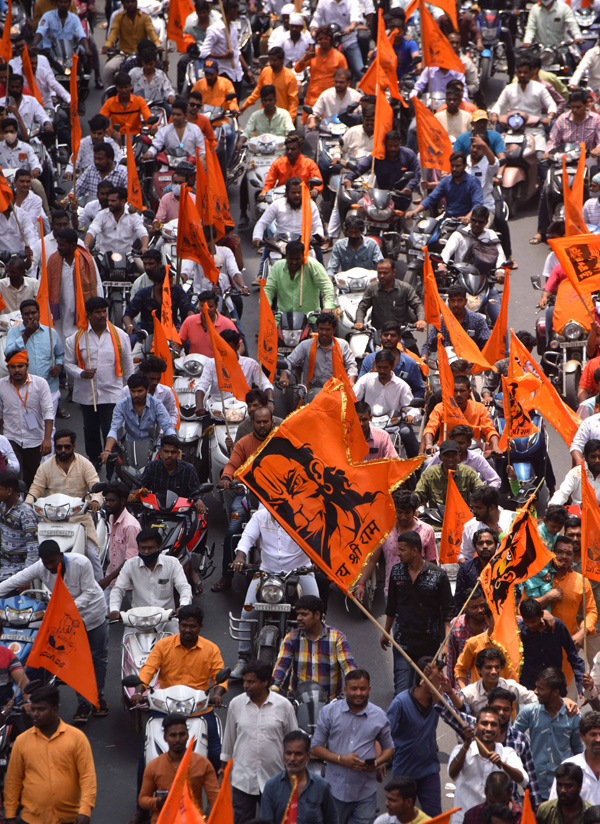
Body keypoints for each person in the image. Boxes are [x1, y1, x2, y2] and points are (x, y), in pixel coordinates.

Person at [0, 540, 109, 721]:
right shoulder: (41, 567)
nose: (50, 566)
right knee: (76, 660)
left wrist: (64, 609)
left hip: (93, 614)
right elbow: (14, 580)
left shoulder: (81, 563)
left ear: (61, 555)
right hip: (67, 621)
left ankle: (98, 698)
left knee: (98, 658)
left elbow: (89, 592)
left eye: (53, 561)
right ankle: (84, 703)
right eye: (46, 563)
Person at [132, 605, 227, 772]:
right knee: (146, 756)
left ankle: (217, 795)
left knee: (215, 752)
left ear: (200, 627)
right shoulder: (163, 646)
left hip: (199, 707)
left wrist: (217, 694)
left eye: (192, 626)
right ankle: (142, 796)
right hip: (166, 707)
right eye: (184, 625)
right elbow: (148, 670)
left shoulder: (211, 649)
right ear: (179, 625)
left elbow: (219, 675)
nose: (187, 629)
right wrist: (139, 691)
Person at [230, 507, 319, 677]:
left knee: (316, 611)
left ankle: (314, 657)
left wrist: (315, 561)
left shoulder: (304, 517)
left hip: (301, 572)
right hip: (266, 573)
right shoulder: (259, 517)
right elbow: (247, 538)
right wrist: (240, 557)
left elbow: (314, 541)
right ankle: (243, 659)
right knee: (247, 611)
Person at [220, 659, 301, 824]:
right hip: (243, 780)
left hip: (275, 779)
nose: (245, 685)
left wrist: (296, 774)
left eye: (251, 682)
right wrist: (222, 770)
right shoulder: (236, 705)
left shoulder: (284, 706)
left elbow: (294, 741)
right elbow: (229, 740)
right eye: (244, 681)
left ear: (264, 682)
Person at [436, 685, 542, 810]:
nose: (501, 713)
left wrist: (536, 811)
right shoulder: (472, 728)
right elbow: (447, 711)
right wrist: (436, 686)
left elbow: (529, 781)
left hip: (504, 813)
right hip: (471, 812)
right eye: (497, 708)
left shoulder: (519, 740)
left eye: (506, 709)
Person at [3, 684, 97, 824]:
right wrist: (10, 815)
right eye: (33, 709)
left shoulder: (77, 738)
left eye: (41, 709)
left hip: (69, 819)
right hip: (31, 819)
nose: (35, 714)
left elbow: (87, 777)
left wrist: (85, 810)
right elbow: (13, 780)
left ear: (55, 710)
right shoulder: (22, 741)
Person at [311, 668, 394, 824]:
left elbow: (389, 748)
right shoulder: (329, 712)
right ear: (345, 690)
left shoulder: (379, 716)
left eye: (363, 688)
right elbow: (315, 747)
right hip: (334, 791)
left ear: (369, 689)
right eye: (353, 688)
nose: (358, 693)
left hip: (365, 793)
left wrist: (377, 762)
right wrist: (341, 759)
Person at [64, 296, 134, 470]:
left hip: (113, 394)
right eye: (98, 312)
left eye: (104, 311)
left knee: (111, 429)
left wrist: (130, 392)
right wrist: (81, 373)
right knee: (90, 430)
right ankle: (94, 462)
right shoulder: (75, 338)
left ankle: (112, 463)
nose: (102, 315)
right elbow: (68, 364)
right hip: (88, 395)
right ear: (88, 314)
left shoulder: (120, 335)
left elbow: (128, 366)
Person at [26, 429, 104, 581]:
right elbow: (36, 488)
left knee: (92, 555)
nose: (63, 450)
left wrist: (95, 500)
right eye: (59, 447)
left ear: (74, 446)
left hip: (79, 518)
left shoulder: (84, 464)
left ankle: (101, 590)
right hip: (51, 519)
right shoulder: (46, 466)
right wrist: (27, 504)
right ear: (55, 446)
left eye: (67, 447)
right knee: (36, 554)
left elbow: (95, 484)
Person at [382, 530, 453, 694]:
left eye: (401, 550)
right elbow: (391, 606)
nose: (397, 553)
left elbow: (448, 612)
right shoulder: (396, 572)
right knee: (401, 693)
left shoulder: (439, 575)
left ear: (414, 551)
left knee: (428, 693)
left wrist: (446, 644)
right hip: (403, 644)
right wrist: (386, 632)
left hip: (430, 646)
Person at [215, 407, 278, 592]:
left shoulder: (280, 441)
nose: (262, 425)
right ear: (252, 423)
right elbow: (232, 464)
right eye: (258, 422)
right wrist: (226, 477)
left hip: (276, 497)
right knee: (233, 529)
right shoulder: (243, 443)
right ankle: (227, 575)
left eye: (265, 421)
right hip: (247, 493)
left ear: (272, 422)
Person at [532, 90, 600, 244]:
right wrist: (548, 152)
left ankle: (589, 228)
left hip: (586, 161)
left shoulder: (596, 120)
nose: (575, 110)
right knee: (546, 189)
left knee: (592, 189)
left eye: (578, 107)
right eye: (573, 107)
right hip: (562, 163)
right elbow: (553, 141)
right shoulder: (562, 119)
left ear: (586, 105)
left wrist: (597, 149)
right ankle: (541, 231)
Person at [514, 667, 584, 801]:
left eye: (541, 688)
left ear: (555, 692)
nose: (536, 692)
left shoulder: (573, 715)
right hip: (536, 784)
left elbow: (578, 750)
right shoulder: (529, 712)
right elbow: (512, 737)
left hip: (563, 786)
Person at [448, 707, 527, 824]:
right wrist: (466, 745)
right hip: (464, 819)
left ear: (499, 730)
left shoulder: (507, 753)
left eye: (493, 725)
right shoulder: (461, 749)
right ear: (475, 727)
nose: (488, 728)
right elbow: (452, 774)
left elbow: (523, 780)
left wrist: (502, 764)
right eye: (484, 723)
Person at [386, 658, 444, 816]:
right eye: (436, 678)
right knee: (401, 815)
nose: (440, 682)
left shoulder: (438, 701)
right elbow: (384, 734)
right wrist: (379, 761)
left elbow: (455, 713)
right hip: (404, 770)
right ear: (423, 680)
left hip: (429, 770)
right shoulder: (400, 703)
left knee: (434, 817)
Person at [271, 595, 356, 699]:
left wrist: (353, 685)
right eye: (298, 614)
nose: (299, 618)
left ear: (317, 615)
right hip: (299, 702)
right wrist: (274, 688)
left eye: (304, 614)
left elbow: (348, 665)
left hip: (330, 703)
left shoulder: (337, 638)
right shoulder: (291, 638)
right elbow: (282, 666)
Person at [139, 713, 219, 822]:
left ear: (187, 735)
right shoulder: (153, 766)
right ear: (165, 738)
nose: (178, 739)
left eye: (182, 734)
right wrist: (157, 802)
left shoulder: (203, 764)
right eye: (173, 735)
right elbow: (142, 799)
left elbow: (215, 798)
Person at [109, 528, 192, 627]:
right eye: (142, 548)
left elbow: (184, 587)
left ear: (159, 548)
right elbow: (118, 589)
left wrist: (183, 605)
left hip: (167, 620)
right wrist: (114, 609)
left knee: (176, 642)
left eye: (150, 548)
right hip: (138, 621)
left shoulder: (172, 563)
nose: (146, 552)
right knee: (126, 642)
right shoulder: (130, 565)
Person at [529, 535, 597, 655]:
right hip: (537, 646)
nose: (564, 557)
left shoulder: (581, 581)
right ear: (551, 553)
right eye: (559, 552)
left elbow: (591, 611)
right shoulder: (537, 577)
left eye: (569, 553)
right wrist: (547, 598)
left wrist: (581, 634)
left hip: (567, 647)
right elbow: (522, 609)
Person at [490, 59, 557, 181]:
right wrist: (494, 114)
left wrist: (549, 117)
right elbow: (498, 105)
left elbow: (552, 105)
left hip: (534, 130)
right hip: (513, 130)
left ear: (531, 72)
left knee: (540, 160)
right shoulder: (509, 89)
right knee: (499, 157)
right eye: (519, 72)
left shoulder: (540, 88)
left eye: (525, 72)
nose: (522, 75)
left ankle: (545, 188)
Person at [438, 207, 506, 324]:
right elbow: (446, 251)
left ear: (486, 222)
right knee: (442, 319)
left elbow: (500, 254)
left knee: (500, 322)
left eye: (481, 222)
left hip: (485, 283)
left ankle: (505, 343)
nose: (477, 224)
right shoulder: (459, 234)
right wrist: (442, 265)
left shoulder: (490, 234)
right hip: (461, 281)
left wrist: (500, 271)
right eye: (474, 220)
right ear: (470, 219)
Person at [0, 349, 54, 487]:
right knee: (12, 478)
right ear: (8, 368)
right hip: (11, 439)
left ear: (27, 367)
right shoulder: (1, 386)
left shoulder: (40, 384)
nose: (17, 370)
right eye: (13, 366)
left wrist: (47, 439)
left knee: (32, 480)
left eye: (20, 366)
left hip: (35, 439)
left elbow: (48, 412)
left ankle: (29, 506)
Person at [260, 730, 338, 824]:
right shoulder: (271, 787)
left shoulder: (322, 786)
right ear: (283, 755)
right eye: (288, 753)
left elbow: (331, 820)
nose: (292, 759)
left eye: (298, 754)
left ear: (308, 756)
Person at [353, 350, 420, 457]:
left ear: (393, 366)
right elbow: (353, 398)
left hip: (392, 425)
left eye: (385, 368)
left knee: (406, 433)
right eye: (379, 367)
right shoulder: (366, 379)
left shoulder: (402, 385)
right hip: (366, 422)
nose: (382, 371)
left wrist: (411, 415)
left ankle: (414, 468)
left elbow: (412, 408)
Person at [253, 177, 324, 274]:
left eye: (299, 192)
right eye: (293, 193)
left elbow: (317, 225)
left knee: (319, 268)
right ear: (287, 192)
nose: (297, 195)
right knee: (268, 245)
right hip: (281, 244)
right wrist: (257, 238)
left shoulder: (310, 205)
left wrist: (320, 236)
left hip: (305, 243)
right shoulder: (277, 204)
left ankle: (323, 277)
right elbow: (262, 222)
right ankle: (261, 273)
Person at [5, 299, 64, 415]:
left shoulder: (51, 333)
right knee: (26, 428)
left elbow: (60, 355)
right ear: (21, 316)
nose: (30, 316)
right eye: (26, 314)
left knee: (48, 427)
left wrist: (59, 366)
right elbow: (8, 354)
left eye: (33, 313)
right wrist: (26, 335)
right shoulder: (14, 332)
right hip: (23, 390)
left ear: (39, 313)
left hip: (49, 388)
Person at [47, 229, 104, 346]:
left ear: (73, 245)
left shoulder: (88, 260)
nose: (58, 247)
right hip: (60, 313)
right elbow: (46, 286)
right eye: (58, 244)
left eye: (62, 245)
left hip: (81, 313)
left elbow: (97, 285)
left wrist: (98, 307)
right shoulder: (53, 260)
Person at [195, 329, 273, 413]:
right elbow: (201, 386)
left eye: (228, 349)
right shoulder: (212, 364)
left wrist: (270, 401)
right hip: (216, 411)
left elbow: (266, 384)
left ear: (237, 347)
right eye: (222, 349)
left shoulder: (251, 364)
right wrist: (199, 406)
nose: (224, 352)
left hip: (244, 411)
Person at [101, 374, 176, 462]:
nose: (136, 395)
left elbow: (168, 427)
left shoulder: (157, 405)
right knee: (115, 471)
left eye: (140, 391)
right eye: (133, 391)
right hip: (129, 449)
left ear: (147, 390)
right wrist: (107, 450)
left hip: (153, 449)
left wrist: (175, 447)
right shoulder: (121, 405)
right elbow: (114, 428)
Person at [519, 598, 585, 696]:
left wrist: (581, 685)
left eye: (534, 621)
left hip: (555, 688)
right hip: (530, 689)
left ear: (541, 615)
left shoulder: (557, 626)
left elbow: (573, 656)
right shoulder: (520, 630)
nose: (530, 625)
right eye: (527, 622)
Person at [279, 312, 358, 388]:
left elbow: (351, 366)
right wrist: (284, 376)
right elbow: (289, 362)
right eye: (321, 329)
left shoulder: (343, 345)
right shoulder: (305, 345)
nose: (324, 332)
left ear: (334, 330)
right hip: (311, 392)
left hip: (336, 392)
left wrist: (351, 382)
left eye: (328, 329)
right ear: (317, 328)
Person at [344, 131, 421, 208]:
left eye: (396, 146)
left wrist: (408, 187)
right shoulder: (377, 155)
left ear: (400, 144)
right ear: (385, 144)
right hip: (380, 198)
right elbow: (361, 168)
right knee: (358, 210)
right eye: (390, 146)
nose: (393, 149)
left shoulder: (409, 155)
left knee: (408, 218)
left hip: (402, 200)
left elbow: (416, 174)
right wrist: (349, 178)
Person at [355, 258, 426, 340]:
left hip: (401, 333)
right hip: (379, 334)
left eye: (385, 273)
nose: (382, 276)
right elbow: (362, 306)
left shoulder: (405, 288)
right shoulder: (372, 288)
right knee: (367, 352)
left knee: (414, 353)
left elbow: (418, 305)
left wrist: (421, 320)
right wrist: (359, 321)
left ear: (394, 272)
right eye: (379, 273)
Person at [135, 435, 206, 513]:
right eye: (166, 451)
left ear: (178, 453)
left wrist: (199, 500)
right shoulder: (151, 467)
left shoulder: (188, 470)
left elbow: (196, 492)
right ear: (160, 452)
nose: (169, 455)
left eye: (173, 452)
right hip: (154, 513)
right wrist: (133, 494)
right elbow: (139, 486)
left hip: (181, 514)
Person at [405, 152, 484, 223]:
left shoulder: (473, 182)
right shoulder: (446, 181)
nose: (454, 169)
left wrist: (467, 217)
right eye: (452, 166)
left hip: (465, 223)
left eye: (458, 166)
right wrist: (415, 211)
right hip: (448, 220)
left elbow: (477, 204)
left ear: (465, 166)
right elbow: (431, 198)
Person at [456, 647, 537, 715]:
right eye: (489, 667)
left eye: (497, 667)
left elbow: (534, 700)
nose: (494, 672)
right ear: (479, 670)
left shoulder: (510, 687)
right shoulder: (469, 694)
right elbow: (458, 716)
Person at [263, 240, 336, 315]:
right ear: (285, 257)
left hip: (310, 318)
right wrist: (265, 306)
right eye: (291, 259)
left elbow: (326, 286)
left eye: (297, 259)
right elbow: (268, 289)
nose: (294, 262)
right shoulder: (277, 267)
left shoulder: (313, 265)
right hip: (283, 318)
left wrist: (328, 306)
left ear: (303, 256)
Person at [101, 0, 162, 86]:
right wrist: (107, 46)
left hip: (142, 55)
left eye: (133, 2)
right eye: (127, 2)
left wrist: (158, 45)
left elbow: (151, 32)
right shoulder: (118, 17)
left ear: (136, 2)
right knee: (108, 69)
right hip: (123, 54)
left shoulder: (145, 17)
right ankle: (111, 96)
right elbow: (113, 34)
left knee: (159, 69)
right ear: (123, 3)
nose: (130, 4)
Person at [358, 323, 425, 399]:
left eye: (393, 335)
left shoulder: (410, 363)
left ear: (399, 339)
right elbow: (360, 387)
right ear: (380, 337)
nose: (389, 338)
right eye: (386, 335)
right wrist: (372, 375)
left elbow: (419, 390)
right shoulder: (369, 360)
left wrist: (410, 405)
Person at [123, 266, 194, 337]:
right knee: (130, 342)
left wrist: (191, 321)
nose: (172, 286)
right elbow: (128, 314)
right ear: (157, 284)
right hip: (147, 335)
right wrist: (129, 325)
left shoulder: (177, 291)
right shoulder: (143, 294)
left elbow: (187, 308)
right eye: (169, 283)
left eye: (172, 282)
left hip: (172, 334)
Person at [199, 0, 254, 90]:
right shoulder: (214, 30)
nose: (237, 14)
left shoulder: (233, 29)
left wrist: (247, 69)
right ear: (232, 11)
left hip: (237, 74)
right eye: (236, 11)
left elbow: (236, 52)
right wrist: (223, 56)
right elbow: (204, 53)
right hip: (223, 74)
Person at [415, 440, 485, 509]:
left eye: (454, 455)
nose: (450, 459)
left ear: (459, 456)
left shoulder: (468, 472)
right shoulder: (430, 473)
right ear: (440, 457)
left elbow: (480, 491)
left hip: (462, 516)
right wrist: (413, 506)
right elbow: (419, 493)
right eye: (446, 455)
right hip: (435, 517)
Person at [548, 713, 600, 805]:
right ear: (582, 737)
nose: (598, 739)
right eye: (593, 735)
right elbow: (554, 805)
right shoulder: (569, 767)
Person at [428, 424, 502, 489]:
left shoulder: (476, 458)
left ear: (469, 443)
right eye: (455, 442)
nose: (457, 447)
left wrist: (483, 495)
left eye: (461, 443)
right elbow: (426, 477)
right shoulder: (439, 456)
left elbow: (495, 480)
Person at [85, 186, 149, 259]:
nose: (109, 203)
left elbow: (142, 232)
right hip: (103, 257)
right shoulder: (101, 215)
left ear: (123, 202)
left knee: (142, 269)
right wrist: (86, 246)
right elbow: (92, 230)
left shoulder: (133, 216)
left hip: (128, 257)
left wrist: (144, 247)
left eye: (113, 201)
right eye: (109, 200)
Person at [423, 284, 491, 354]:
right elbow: (428, 345)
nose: (456, 304)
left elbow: (488, 343)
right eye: (453, 301)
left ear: (465, 301)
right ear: (449, 302)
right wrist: (424, 356)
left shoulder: (477, 320)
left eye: (459, 301)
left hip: (472, 362)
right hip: (446, 362)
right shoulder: (442, 321)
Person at [294, 25, 349, 111]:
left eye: (326, 38)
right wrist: (305, 58)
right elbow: (297, 69)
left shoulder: (339, 57)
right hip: (313, 98)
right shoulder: (312, 54)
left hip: (331, 100)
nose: (323, 41)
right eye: (320, 39)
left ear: (330, 39)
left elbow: (346, 80)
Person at [100, 481, 140, 596]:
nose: (107, 504)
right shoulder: (112, 518)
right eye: (106, 500)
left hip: (127, 586)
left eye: (112, 501)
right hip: (112, 582)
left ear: (123, 501)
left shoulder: (130, 526)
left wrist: (107, 579)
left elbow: (130, 560)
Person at [446, 588, 489, 689]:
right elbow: (452, 657)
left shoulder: (493, 623)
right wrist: (452, 687)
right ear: (465, 607)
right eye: (474, 607)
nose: (480, 610)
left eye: (482, 605)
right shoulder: (455, 625)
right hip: (465, 683)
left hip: (489, 681)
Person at [241, 48, 298, 121]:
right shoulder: (265, 71)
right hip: (264, 117)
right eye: (270, 60)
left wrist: (290, 121)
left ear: (282, 60)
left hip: (281, 119)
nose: (272, 63)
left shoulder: (290, 76)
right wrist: (244, 106)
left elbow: (293, 101)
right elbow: (257, 92)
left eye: (275, 60)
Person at [0, 470, 38, 581]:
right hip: (3, 566)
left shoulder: (25, 513)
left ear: (9, 491)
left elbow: (33, 549)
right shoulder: (2, 506)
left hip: (17, 572)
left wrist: (26, 578)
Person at [460, 487, 515, 562]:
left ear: (491, 508)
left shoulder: (513, 519)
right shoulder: (470, 527)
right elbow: (465, 555)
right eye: (472, 507)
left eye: (478, 508)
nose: (474, 511)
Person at [259, 133, 323, 198]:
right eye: (287, 149)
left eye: (293, 149)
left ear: (300, 150)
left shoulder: (309, 163)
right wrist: (263, 194)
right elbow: (269, 184)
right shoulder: (277, 163)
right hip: (281, 198)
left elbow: (318, 181)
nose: (289, 152)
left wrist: (316, 189)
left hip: (302, 198)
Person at [142, 98, 206, 162]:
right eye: (173, 114)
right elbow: (156, 145)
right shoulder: (165, 130)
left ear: (185, 115)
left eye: (178, 115)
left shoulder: (195, 130)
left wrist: (201, 159)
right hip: (168, 166)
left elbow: (202, 150)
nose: (175, 117)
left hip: (190, 167)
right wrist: (149, 153)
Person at [179, 291, 238, 358]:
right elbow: (179, 344)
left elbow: (240, 345)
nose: (206, 310)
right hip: (195, 365)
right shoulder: (189, 321)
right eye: (202, 306)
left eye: (210, 306)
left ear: (216, 306)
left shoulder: (227, 324)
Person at [64, 114, 122, 181]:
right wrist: (68, 172)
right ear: (90, 131)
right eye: (93, 133)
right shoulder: (82, 144)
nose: (96, 136)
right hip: (85, 181)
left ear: (105, 132)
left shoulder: (112, 144)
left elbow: (119, 162)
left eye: (99, 133)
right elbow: (72, 163)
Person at [454, 529, 498, 613]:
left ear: (496, 545)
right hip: (474, 617)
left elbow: (515, 596)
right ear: (475, 547)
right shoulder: (466, 568)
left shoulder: (504, 567)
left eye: (489, 543)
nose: (485, 546)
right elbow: (459, 599)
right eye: (480, 543)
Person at [306, 67, 362, 131]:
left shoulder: (356, 96)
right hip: (328, 131)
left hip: (350, 131)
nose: (338, 84)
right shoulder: (326, 94)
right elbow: (315, 113)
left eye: (341, 82)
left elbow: (363, 114)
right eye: (336, 82)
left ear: (348, 82)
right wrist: (312, 123)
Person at [99, 72, 152, 140]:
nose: (123, 90)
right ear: (116, 88)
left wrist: (153, 127)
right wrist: (104, 132)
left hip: (136, 137)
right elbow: (101, 120)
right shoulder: (110, 102)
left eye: (126, 87)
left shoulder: (139, 101)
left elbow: (148, 117)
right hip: (115, 138)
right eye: (121, 88)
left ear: (130, 86)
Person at [551, 439, 600, 505]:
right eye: (593, 457)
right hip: (579, 513)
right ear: (585, 457)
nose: (597, 460)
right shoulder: (576, 473)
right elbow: (562, 494)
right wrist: (553, 506)